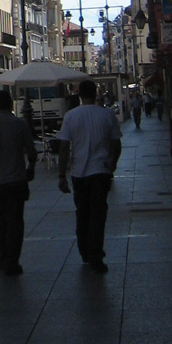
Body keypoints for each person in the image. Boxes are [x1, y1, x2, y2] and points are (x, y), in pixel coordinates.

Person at [57, 77, 122, 273]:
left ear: (79, 95)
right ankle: (96, 254)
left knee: (82, 213)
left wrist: (61, 175)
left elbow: (64, 147)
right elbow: (116, 143)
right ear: (95, 94)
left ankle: (85, 250)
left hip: (79, 173)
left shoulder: (71, 116)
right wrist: (113, 163)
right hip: (101, 171)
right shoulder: (107, 114)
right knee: (98, 215)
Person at [0, 88, 37, 277]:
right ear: (11, 104)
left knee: (0, 221)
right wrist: (31, 168)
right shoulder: (19, 124)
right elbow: (31, 151)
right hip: (16, 180)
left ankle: (2, 254)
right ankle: (12, 260)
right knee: (16, 222)